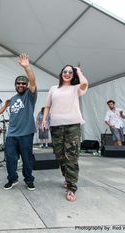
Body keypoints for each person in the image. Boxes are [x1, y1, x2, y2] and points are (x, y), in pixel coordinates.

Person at [42, 65, 88, 202]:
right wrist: (44, 119)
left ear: (73, 75)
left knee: (72, 156)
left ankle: (71, 187)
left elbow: (85, 83)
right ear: (61, 74)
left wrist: (78, 70)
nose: (67, 74)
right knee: (60, 155)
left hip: (73, 125)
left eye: (70, 72)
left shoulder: (76, 88)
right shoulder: (53, 89)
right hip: (56, 126)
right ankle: (67, 178)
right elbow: (48, 106)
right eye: (65, 71)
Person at [3, 53, 37, 191]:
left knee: (27, 159)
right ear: (15, 85)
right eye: (19, 83)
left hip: (26, 133)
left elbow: (33, 82)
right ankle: (12, 179)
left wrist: (27, 67)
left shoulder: (30, 95)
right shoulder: (12, 98)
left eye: (24, 83)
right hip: (11, 134)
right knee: (10, 159)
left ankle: (28, 179)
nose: (21, 85)